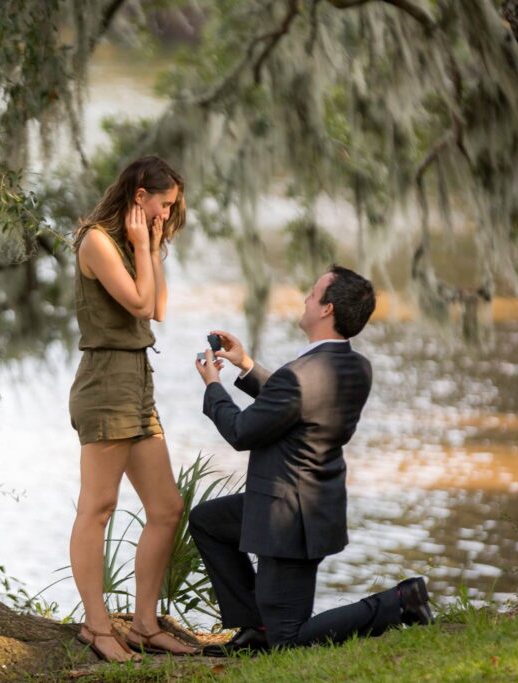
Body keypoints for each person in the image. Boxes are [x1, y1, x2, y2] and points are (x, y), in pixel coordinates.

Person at [190, 265, 433, 656]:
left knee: (288, 641)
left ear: (327, 309)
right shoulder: (355, 367)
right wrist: (246, 365)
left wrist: (213, 386)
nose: (305, 298)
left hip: (286, 524)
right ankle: (254, 627)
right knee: (208, 521)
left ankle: (399, 602)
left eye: (313, 293)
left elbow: (242, 431)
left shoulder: (299, 376)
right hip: (312, 508)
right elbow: (298, 404)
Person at [68, 156, 199, 662]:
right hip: (106, 383)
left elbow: (159, 309)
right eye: (162, 205)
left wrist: (153, 244)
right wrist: (144, 244)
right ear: (139, 196)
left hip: (138, 384)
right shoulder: (97, 242)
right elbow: (141, 306)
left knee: (166, 508)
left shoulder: (135, 244)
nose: (166, 215)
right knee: (97, 507)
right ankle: (97, 627)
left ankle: (144, 624)